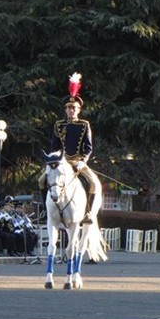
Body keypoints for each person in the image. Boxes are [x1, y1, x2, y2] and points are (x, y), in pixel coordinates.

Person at [40, 73, 101, 224]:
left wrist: (84, 160)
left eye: (74, 108)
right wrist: (53, 159)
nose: (71, 110)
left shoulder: (84, 125)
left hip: (78, 162)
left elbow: (88, 146)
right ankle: (45, 210)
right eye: (68, 108)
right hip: (61, 161)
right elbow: (55, 146)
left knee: (92, 182)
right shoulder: (58, 125)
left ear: (79, 109)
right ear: (65, 110)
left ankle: (87, 213)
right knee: (41, 180)